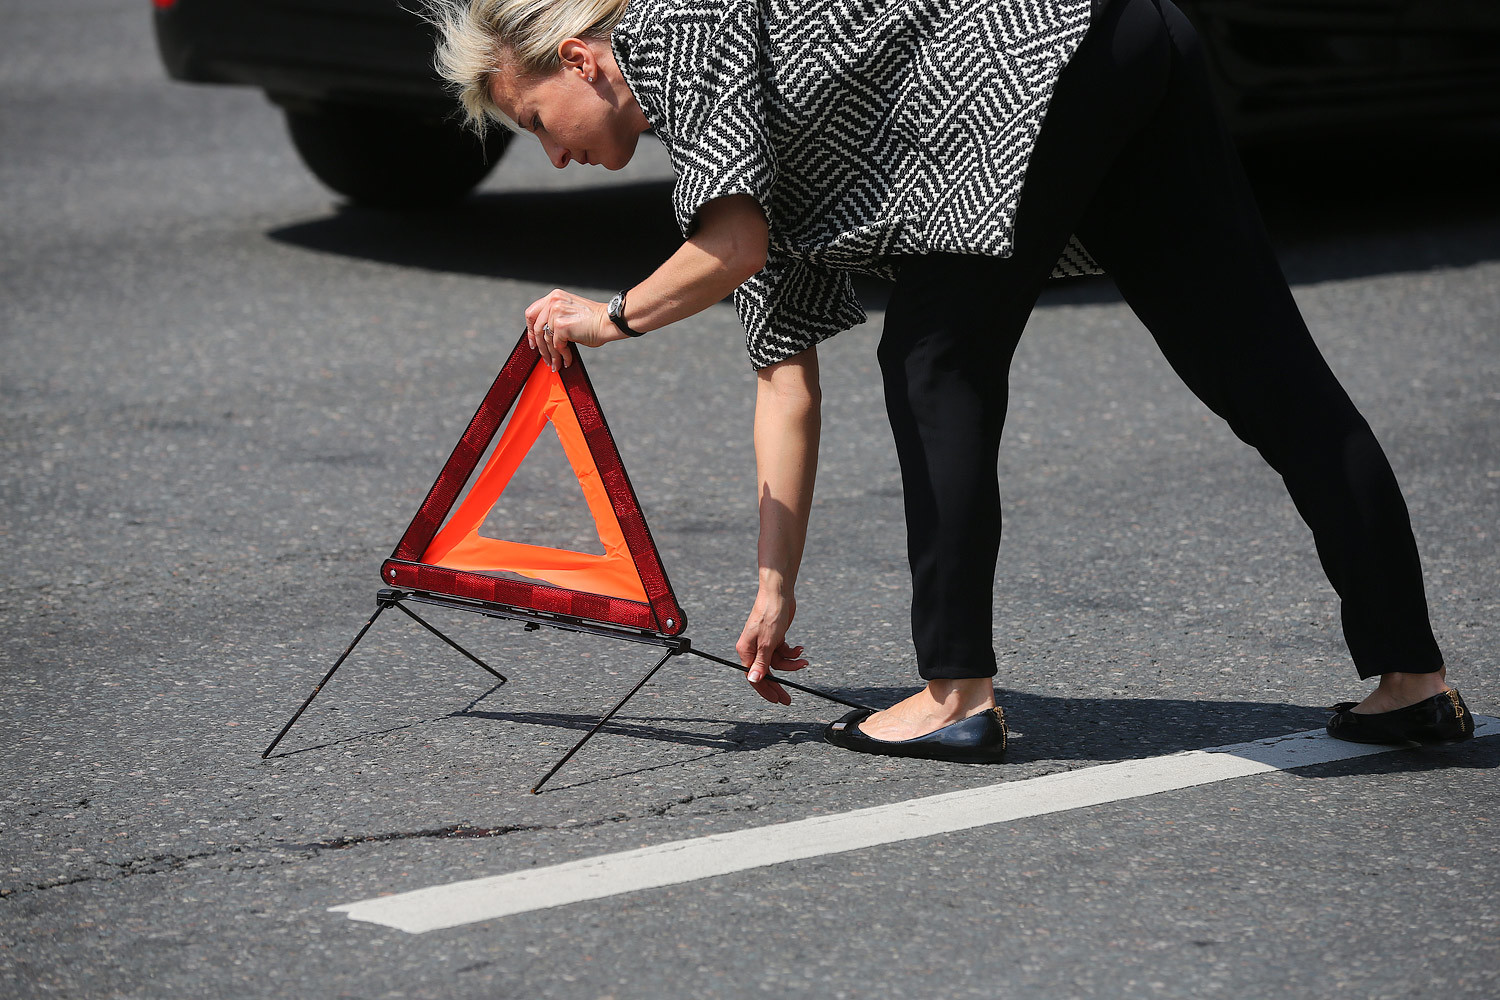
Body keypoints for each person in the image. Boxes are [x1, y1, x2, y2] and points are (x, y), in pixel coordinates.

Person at [429, 0, 1474, 760]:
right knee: (1260, 367)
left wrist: (608, 316)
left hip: (1033, 61)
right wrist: (772, 585)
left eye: (534, 123)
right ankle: (1412, 679)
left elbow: (734, 248)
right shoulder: (720, 142)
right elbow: (782, 376)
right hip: (1130, 34)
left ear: (580, 59)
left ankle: (955, 691)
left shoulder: (674, 32)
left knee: (935, 361)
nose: (550, 157)